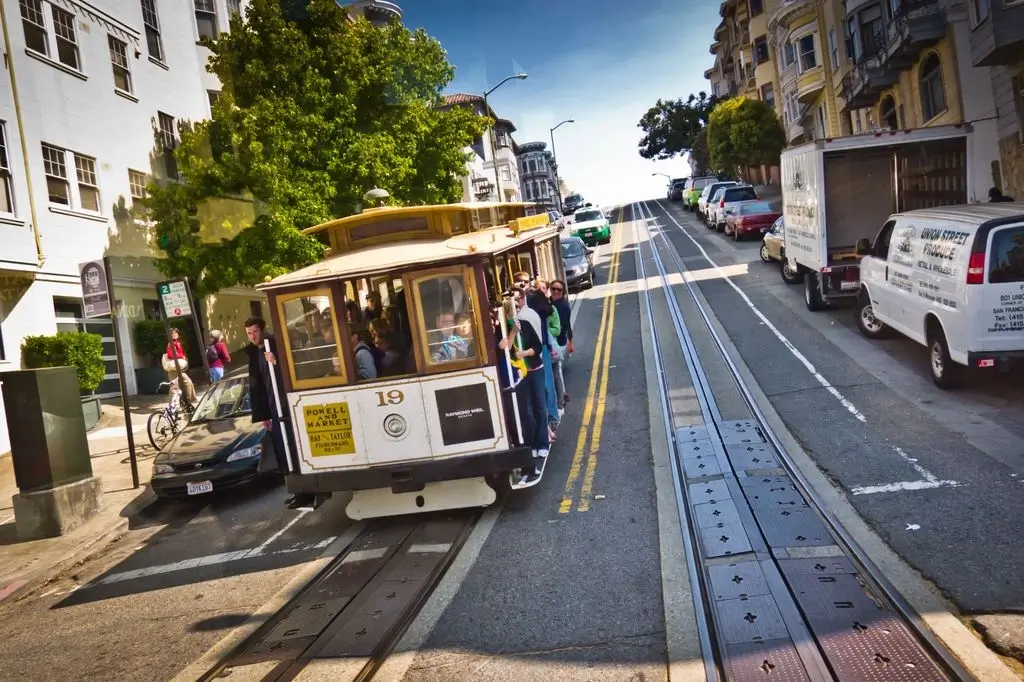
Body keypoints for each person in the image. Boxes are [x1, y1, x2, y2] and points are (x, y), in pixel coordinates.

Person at [243, 316, 315, 510]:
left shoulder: (274, 345)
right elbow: (258, 387)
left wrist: (275, 360)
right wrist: (263, 415)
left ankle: (306, 491)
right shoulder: (254, 353)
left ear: (263, 330)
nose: (252, 336)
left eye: (255, 332)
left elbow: (295, 368)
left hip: (285, 405)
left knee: (293, 447)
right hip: (273, 408)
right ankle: (298, 491)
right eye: (249, 333)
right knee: (283, 451)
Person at [499, 289, 548, 484]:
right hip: (519, 376)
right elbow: (505, 349)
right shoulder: (503, 329)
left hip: (534, 369)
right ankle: (533, 444)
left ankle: (542, 442)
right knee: (527, 412)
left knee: (539, 406)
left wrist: (524, 354)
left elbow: (538, 346)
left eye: (518, 301)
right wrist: (510, 334)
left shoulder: (526, 323)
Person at [550, 279, 572, 412]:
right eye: (553, 288)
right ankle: (561, 395)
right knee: (557, 371)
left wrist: (570, 340)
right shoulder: (550, 303)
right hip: (556, 343)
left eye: (559, 290)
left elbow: (563, 326)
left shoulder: (562, 306)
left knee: (558, 371)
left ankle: (562, 397)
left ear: (563, 292)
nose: (556, 292)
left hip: (558, 343)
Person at [164, 328, 197, 405]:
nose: (174, 334)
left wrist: (181, 355)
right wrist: (181, 356)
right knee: (174, 387)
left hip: (178, 368)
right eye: (172, 333)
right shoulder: (171, 343)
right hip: (173, 369)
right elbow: (170, 355)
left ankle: (190, 400)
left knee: (188, 382)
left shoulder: (177, 342)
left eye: (176, 333)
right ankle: (171, 406)